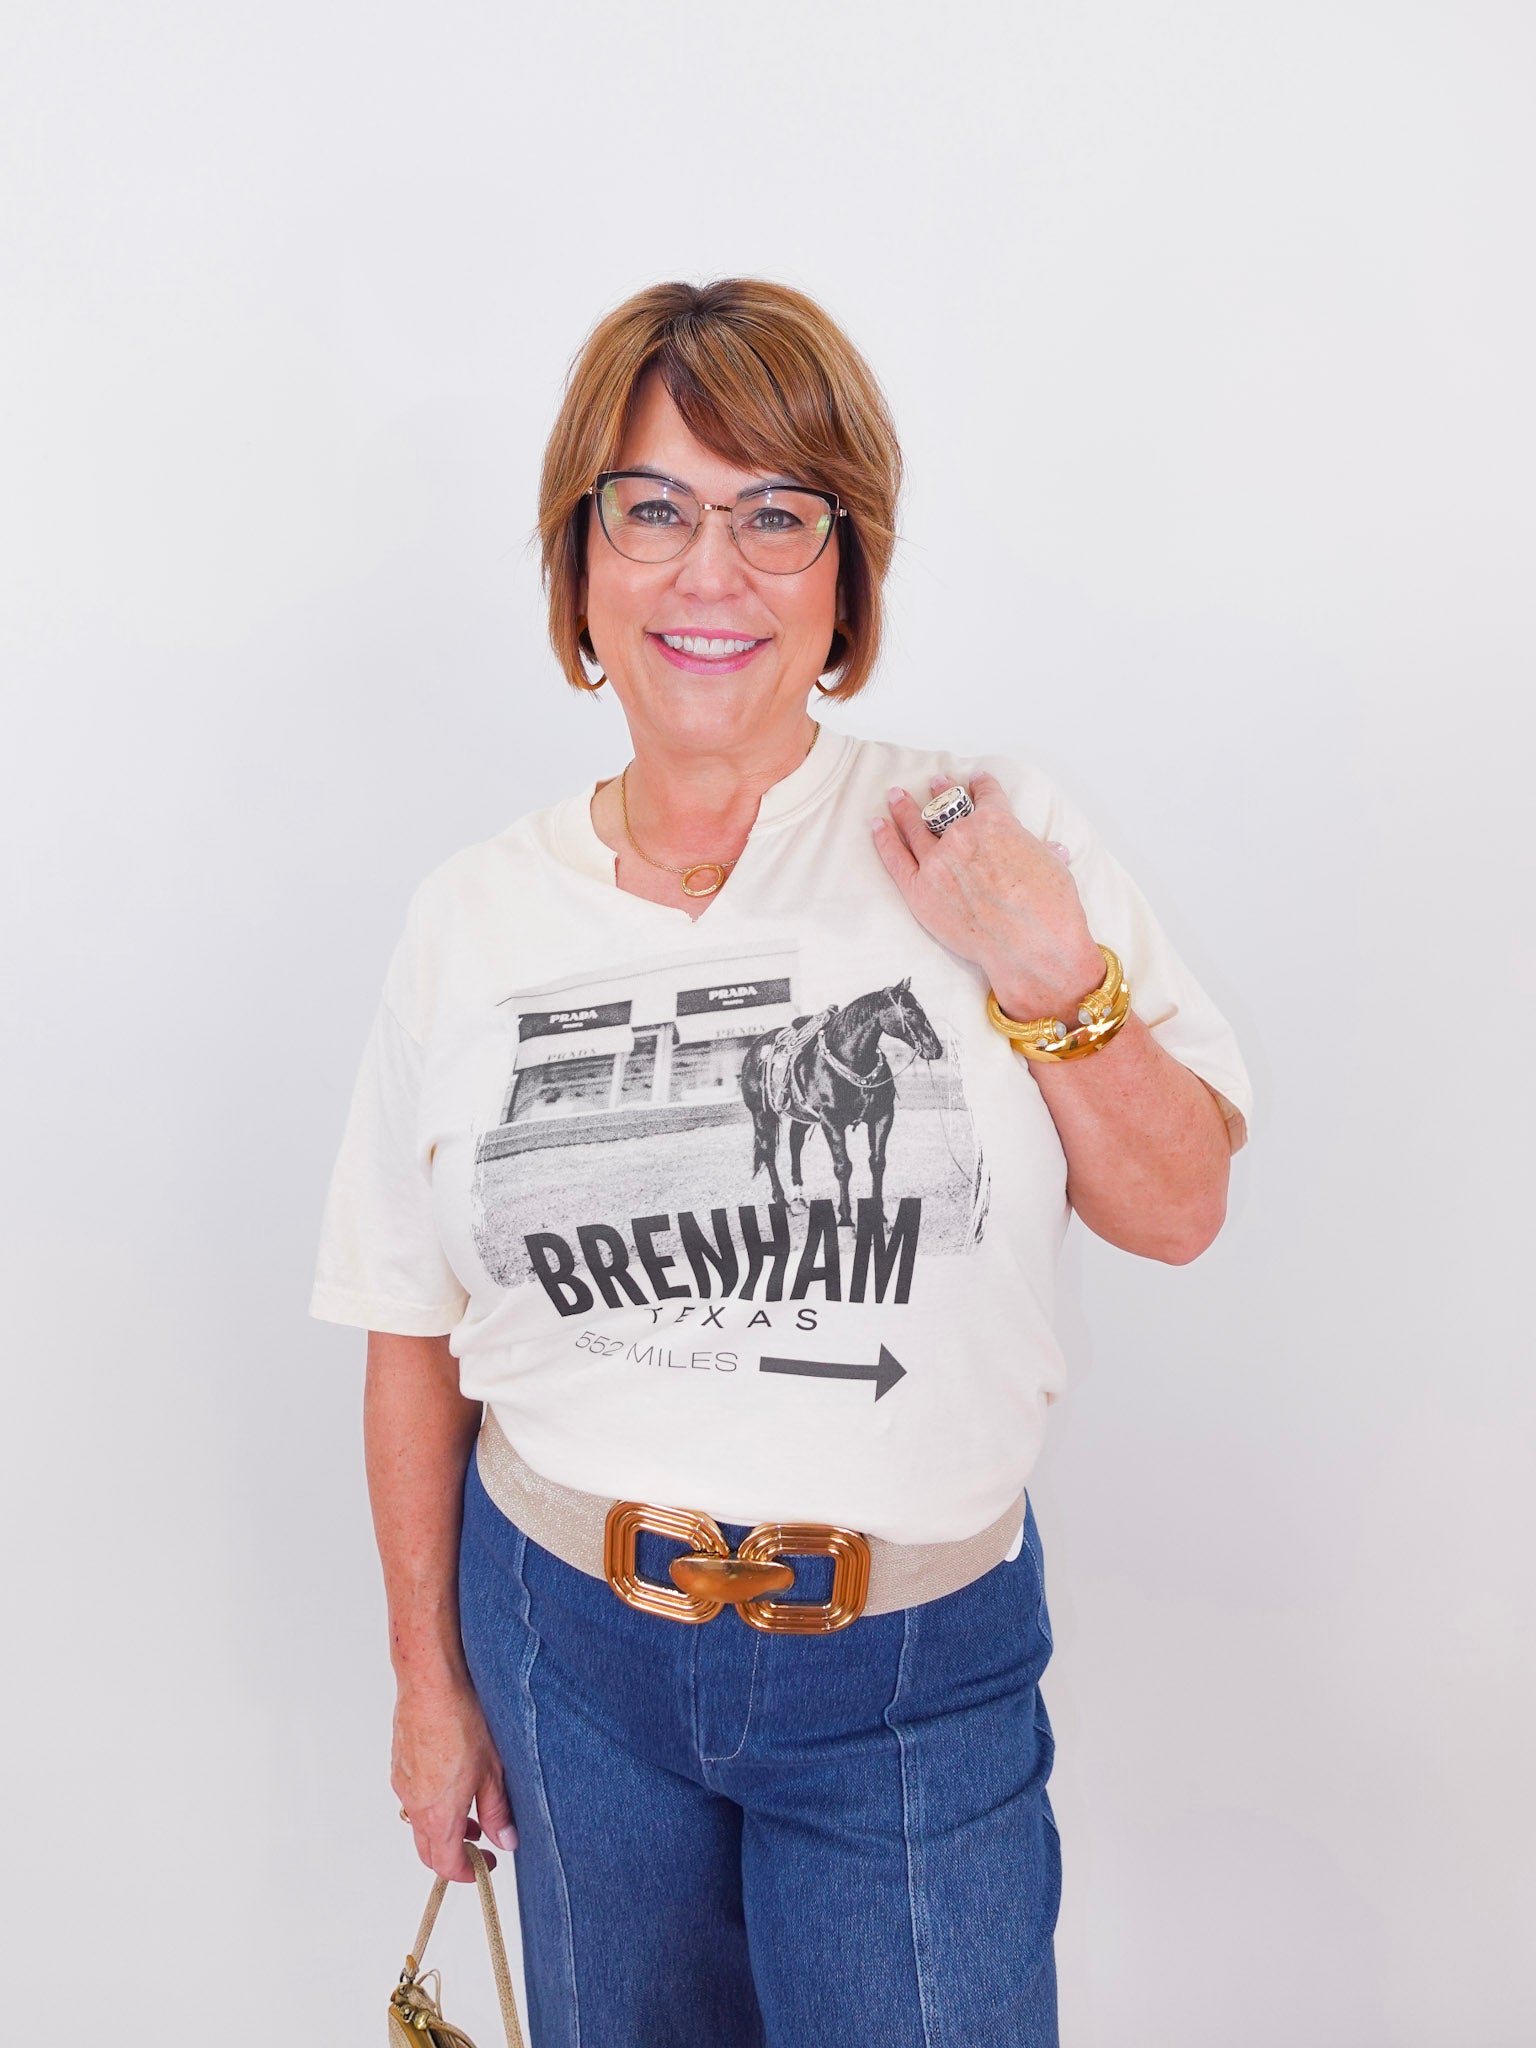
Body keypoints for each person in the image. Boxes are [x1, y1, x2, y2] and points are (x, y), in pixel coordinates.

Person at [311, 278, 1252, 2048]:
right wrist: (428, 1685)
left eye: (774, 516)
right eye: (654, 510)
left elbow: (1181, 1207)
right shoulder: (472, 919)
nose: (709, 575)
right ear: (580, 562)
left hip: (909, 1671)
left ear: (846, 573)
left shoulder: (982, 834)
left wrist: (1049, 973)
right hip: (569, 1642)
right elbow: (404, 1321)